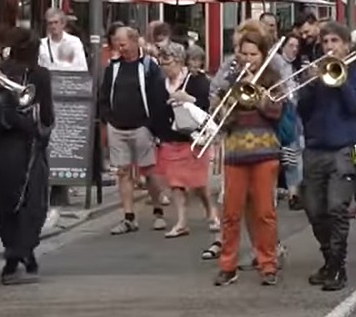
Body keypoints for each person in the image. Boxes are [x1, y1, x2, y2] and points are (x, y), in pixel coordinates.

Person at [299, 22, 356, 291]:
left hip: (343, 148)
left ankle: (338, 267)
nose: (329, 47)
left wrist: (338, 80)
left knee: (336, 208)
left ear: (346, 45)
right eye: (325, 42)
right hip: (315, 148)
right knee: (315, 210)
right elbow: (302, 111)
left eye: (334, 41)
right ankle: (329, 259)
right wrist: (309, 84)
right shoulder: (315, 75)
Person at [214, 22, 285, 286]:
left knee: (264, 213)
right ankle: (227, 265)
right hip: (235, 153)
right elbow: (222, 117)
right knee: (231, 213)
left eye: (253, 54)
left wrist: (261, 97)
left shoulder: (273, 79)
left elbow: (276, 113)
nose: (248, 59)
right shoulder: (229, 79)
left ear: (263, 56)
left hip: (265, 152)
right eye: (244, 53)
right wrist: (234, 95)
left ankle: (268, 264)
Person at [0, 27, 54, 284]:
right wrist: (36, 130)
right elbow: (47, 117)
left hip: (7, 146)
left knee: (8, 203)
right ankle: (17, 255)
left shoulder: (4, 72)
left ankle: (18, 254)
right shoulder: (18, 74)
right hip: (22, 145)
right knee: (31, 202)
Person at [100, 26, 171, 234]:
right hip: (117, 126)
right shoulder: (113, 67)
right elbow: (104, 94)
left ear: (133, 42)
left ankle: (158, 211)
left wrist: (154, 127)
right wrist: (108, 118)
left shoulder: (149, 66)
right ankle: (128, 217)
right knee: (123, 173)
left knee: (149, 172)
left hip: (142, 126)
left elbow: (159, 97)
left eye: (123, 44)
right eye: (117, 45)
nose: (120, 49)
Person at [156, 41, 217, 236]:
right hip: (170, 138)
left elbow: (208, 105)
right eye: (162, 63)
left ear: (180, 61)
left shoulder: (196, 80)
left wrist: (188, 99)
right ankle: (181, 221)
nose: (165, 67)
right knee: (175, 183)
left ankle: (211, 212)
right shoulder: (159, 83)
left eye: (169, 62)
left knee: (198, 183)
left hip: (193, 139)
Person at [39, 7, 88, 71]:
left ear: (63, 24)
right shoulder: (42, 44)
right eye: (50, 23)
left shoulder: (74, 42)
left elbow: (83, 67)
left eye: (56, 22)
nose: (53, 26)